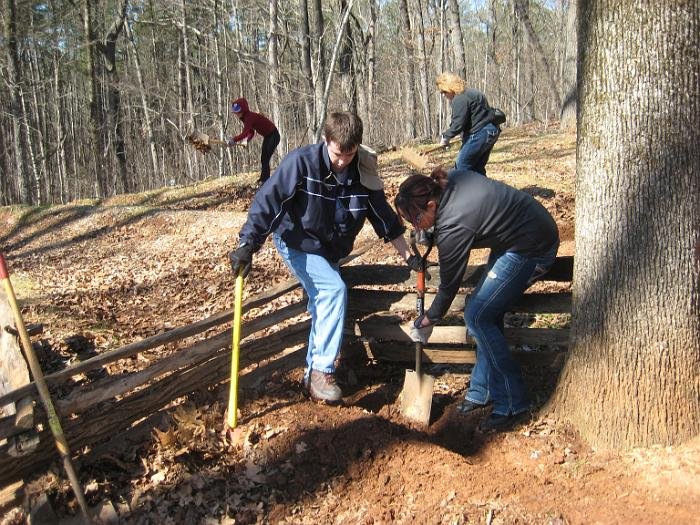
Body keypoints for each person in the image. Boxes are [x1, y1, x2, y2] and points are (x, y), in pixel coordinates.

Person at [228, 112, 420, 402]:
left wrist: (409, 256)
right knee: (332, 289)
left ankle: (310, 377)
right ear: (325, 140)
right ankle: (321, 370)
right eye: (337, 153)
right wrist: (247, 244)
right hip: (297, 241)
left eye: (349, 154)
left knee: (324, 302)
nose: (342, 161)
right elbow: (268, 201)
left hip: (330, 249)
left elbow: (384, 218)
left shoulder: (362, 172)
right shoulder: (301, 163)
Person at [394, 167, 560, 432]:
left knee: (477, 316)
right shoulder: (451, 180)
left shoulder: (454, 225)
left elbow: (449, 286)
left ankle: (513, 403)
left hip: (533, 246)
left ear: (431, 205)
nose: (415, 228)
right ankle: (480, 391)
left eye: (415, 220)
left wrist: (429, 318)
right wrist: (428, 229)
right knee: (483, 313)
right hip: (516, 234)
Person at [436, 72, 501, 176]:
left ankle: (462, 191)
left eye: (444, 91)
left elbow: (458, 123)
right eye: (441, 92)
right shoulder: (472, 92)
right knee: (477, 168)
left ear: (450, 87)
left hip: (480, 133)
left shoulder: (460, 98)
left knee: (461, 166)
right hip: (491, 130)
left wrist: (446, 137)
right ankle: (484, 191)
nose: (443, 95)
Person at [228, 97, 280, 185]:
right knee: (264, 158)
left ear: (243, 110)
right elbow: (251, 132)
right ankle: (264, 179)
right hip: (268, 136)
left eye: (238, 112)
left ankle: (265, 180)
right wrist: (246, 140)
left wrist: (234, 139)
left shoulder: (249, 117)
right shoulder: (246, 118)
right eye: (236, 113)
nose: (236, 114)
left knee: (265, 158)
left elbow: (245, 133)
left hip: (273, 135)